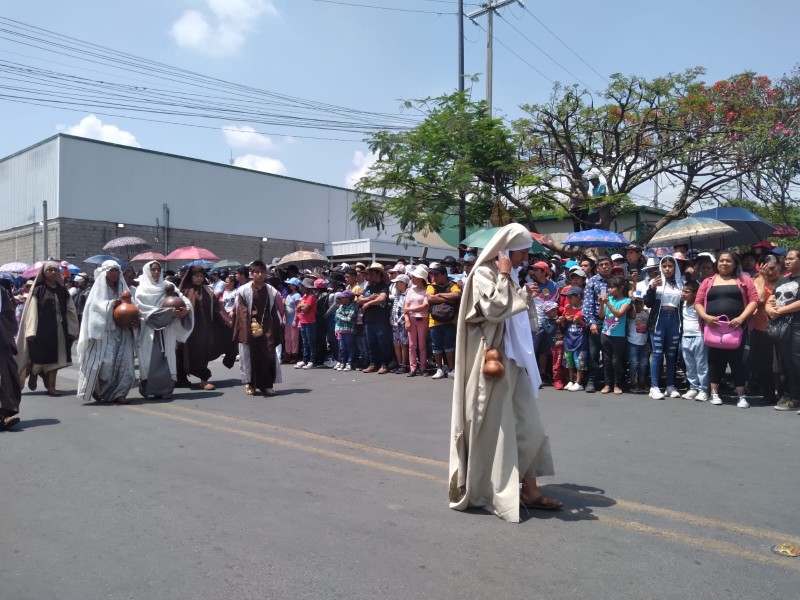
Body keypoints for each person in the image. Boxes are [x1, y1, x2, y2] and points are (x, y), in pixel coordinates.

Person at [449, 223, 560, 522]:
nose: (525, 257)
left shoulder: (507, 276)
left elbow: (520, 318)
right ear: (507, 250)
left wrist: (525, 296)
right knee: (497, 432)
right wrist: (504, 276)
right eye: (522, 251)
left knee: (529, 426)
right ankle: (493, 490)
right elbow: (495, 311)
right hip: (493, 366)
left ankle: (530, 488)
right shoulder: (485, 274)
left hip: (516, 362)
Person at [694, 250, 758, 408]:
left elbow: (754, 300)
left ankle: (741, 395)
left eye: (728, 261)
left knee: (738, 361)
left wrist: (742, 318)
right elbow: (698, 302)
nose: (724, 263)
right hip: (713, 328)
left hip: (737, 328)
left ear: (735, 263)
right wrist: (706, 317)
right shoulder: (708, 281)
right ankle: (714, 393)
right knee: (715, 360)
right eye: (721, 260)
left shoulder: (744, 280)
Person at [76, 260, 137, 404]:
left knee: (125, 363)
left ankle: (120, 393)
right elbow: (94, 307)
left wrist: (133, 318)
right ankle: (100, 391)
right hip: (104, 334)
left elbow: (132, 305)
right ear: (104, 273)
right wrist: (110, 305)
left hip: (122, 332)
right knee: (105, 364)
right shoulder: (97, 291)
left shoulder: (124, 289)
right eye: (111, 271)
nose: (114, 274)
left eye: (116, 271)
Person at [16, 261, 79, 397]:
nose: (52, 272)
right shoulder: (38, 290)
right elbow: (31, 311)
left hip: (59, 330)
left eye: (55, 270)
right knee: (38, 358)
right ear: (43, 273)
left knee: (55, 360)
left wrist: (72, 329)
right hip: (41, 330)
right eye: (49, 270)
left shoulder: (62, 291)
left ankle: (51, 387)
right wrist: (31, 331)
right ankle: (33, 373)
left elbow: (71, 310)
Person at [134, 261, 194, 399]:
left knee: (168, 358)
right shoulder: (142, 289)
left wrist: (186, 311)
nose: (156, 272)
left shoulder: (169, 286)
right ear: (147, 272)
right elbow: (143, 310)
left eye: (158, 270)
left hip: (168, 329)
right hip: (149, 331)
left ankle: (165, 389)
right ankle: (148, 388)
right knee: (149, 359)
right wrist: (167, 314)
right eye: (153, 270)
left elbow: (184, 300)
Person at [233, 260, 283, 396]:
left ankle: (266, 385)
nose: (260, 275)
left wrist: (275, 328)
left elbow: (274, 310)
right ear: (251, 274)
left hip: (267, 326)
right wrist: (246, 331)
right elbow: (242, 312)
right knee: (250, 355)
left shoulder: (271, 291)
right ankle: (250, 384)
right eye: (256, 272)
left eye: (262, 272)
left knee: (268, 354)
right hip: (249, 326)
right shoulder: (243, 291)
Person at [176, 266, 224, 390]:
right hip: (188, 330)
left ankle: (204, 380)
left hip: (205, 329)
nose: (199, 279)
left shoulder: (208, 290)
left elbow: (216, 308)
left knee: (203, 354)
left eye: (201, 276)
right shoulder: (184, 291)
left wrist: (225, 321)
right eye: (196, 276)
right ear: (191, 277)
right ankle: (181, 379)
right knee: (184, 354)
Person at [645, 256, 683, 400]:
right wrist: (652, 288)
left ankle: (670, 386)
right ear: (660, 267)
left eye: (670, 266)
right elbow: (648, 303)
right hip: (658, 321)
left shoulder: (680, 283)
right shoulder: (655, 282)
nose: (667, 268)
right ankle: (654, 387)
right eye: (664, 266)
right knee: (657, 353)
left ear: (675, 268)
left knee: (672, 354)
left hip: (674, 320)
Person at [766, 248, 800, 412]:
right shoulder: (783, 280)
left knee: (796, 362)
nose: (787, 261)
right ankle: (791, 397)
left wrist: (778, 311)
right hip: (781, 327)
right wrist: (769, 307)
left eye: (791, 259)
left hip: (797, 326)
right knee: (785, 363)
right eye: (786, 259)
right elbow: (772, 298)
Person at [749, 254, 782, 405]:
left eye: (773, 268)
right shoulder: (757, 281)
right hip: (761, 329)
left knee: (782, 364)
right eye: (766, 269)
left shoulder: (787, 281)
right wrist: (762, 279)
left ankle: (784, 393)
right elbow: (760, 299)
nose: (770, 272)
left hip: (783, 329)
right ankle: (769, 394)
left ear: (780, 266)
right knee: (764, 364)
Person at [581, 255, 612, 393]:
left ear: (611, 266)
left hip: (613, 320)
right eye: (601, 265)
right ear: (597, 268)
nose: (604, 267)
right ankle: (591, 381)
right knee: (593, 353)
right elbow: (586, 306)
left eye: (607, 264)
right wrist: (591, 323)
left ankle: (609, 382)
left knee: (610, 353)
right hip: (597, 321)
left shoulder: (616, 281)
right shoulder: (592, 282)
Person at [427, 264, 461, 379]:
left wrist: (440, 295)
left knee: (449, 346)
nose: (434, 277)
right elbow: (430, 298)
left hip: (449, 320)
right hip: (434, 321)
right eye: (432, 275)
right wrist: (448, 297)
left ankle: (451, 369)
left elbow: (457, 294)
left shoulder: (453, 285)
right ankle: (439, 369)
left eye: (436, 275)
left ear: (444, 274)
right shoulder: (431, 286)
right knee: (436, 346)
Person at [599, 276, 631, 394]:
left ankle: (617, 384)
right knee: (606, 360)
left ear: (621, 288)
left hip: (618, 335)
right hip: (605, 333)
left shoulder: (626, 301)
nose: (610, 290)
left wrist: (607, 302)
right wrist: (602, 305)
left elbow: (619, 314)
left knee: (616, 361)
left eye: (612, 287)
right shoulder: (608, 299)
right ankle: (607, 384)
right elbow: (601, 316)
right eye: (609, 287)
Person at [359, 263, 393, 374]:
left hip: (381, 320)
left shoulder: (384, 286)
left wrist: (368, 303)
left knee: (382, 344)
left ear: (378, 274)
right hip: (369, 319)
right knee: (371, 343)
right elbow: (359, 299)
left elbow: (381, 299)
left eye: (372, 273)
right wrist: (369, 299)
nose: (370, 276)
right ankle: (373, 364)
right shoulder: (369, 287)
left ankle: (384, 364)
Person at [679, 280, 708, 401]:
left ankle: (704, 389)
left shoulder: (699, 305)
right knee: (690, 365)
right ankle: (693, 388)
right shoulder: (682, 304)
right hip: (685, 337)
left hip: (699, 336)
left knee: (701, 364)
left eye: (687, 292)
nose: (683, 294)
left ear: (695, 293)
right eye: (683, 291)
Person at [0, 282, 22, 429]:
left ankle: (3, 415)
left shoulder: (1, 291)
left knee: (6, 377)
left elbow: (8, 314)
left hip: (1, 339)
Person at [404, 265, 430, 377]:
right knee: (412, 345)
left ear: (421, 279)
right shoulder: (410, 290)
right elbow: (405, 307)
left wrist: (409, 310)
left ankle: (423, 367)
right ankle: (413, 368)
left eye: (414, 277)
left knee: (422, 345)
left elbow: (425, 307)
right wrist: (407, 320)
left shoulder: (427, 290)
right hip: (411, 318)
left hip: (422, 318)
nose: (412, 279)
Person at [561, 286, 587, 392]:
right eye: (568, 297)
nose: (569, 299)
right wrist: (563, 320)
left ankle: (579, 382)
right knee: (569, 361)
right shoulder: (567, 308)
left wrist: (580, 322)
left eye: (571, 297)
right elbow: (563, 326)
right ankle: (571, 381)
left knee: (579, 361)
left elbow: (587, 325)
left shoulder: (584, 309)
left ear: (579, 297)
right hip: (568, 339)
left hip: (580, 339)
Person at [627, 291, 649, 393]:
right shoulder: (632, 314)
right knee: (634, 364)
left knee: (643, 364)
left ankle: (642, 382)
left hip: (644, 344)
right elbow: (632, 315)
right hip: (633, 343)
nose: (639, 304)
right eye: (637, 302)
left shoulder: (645, 313)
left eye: (641, 302)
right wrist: (632, 304)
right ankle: (633, 383)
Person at [294, 278, 318, 369]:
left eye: (304, 286)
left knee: (311, 342)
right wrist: (300, 306)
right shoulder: (303, 297)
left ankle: (312, 360)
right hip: (303, 321)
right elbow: (298, 308)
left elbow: (305, 309)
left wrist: (300, 306)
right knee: (305, 342)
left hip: (310, 322)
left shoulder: (311, 297)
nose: (302, 287)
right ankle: (305, 359)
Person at [389, 273, 409, 374]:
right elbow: (394, 308)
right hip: (395, 323)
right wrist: (392, 320)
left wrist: (399, 321)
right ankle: (399, 363)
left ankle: (404, 365)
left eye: (397, 282)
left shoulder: (407, 294)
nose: (396, 285)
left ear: (403, 283)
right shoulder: (397, 294)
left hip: (403, 323)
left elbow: (406, 310)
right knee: (396, 344)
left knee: (403, 344)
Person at [334, 290, 358, 371]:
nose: (341, 299)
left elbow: (349, 318)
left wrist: (341, 316)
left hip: (349, 330)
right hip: (341, 330)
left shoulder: (353, 306)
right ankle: (343, 362)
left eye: (343, 298)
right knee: (342, 347)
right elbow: (337, 315)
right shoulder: (341, 306)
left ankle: (349, 363)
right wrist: (342, 316)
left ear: (348, 298)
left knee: (350, 347)